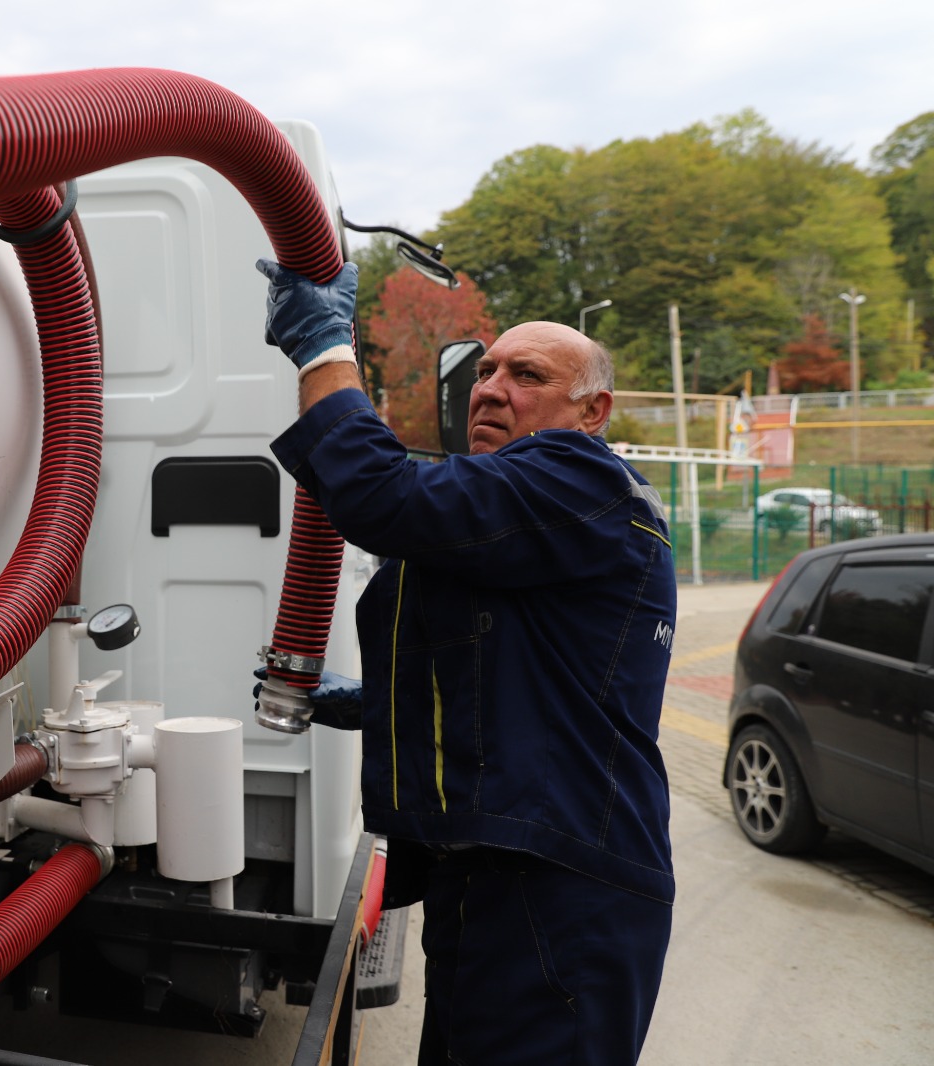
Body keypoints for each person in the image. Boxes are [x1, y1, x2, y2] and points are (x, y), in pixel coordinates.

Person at [257, 258, 677, 1065]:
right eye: (484, 369)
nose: (490, 387)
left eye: (527, 374)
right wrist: (374, 698)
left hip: (556, 890)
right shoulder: (531, 505)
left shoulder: (580, 479)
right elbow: (506, 664)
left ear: (593, 411)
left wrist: (322, 351)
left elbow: (382, 499)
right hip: (496, 882)